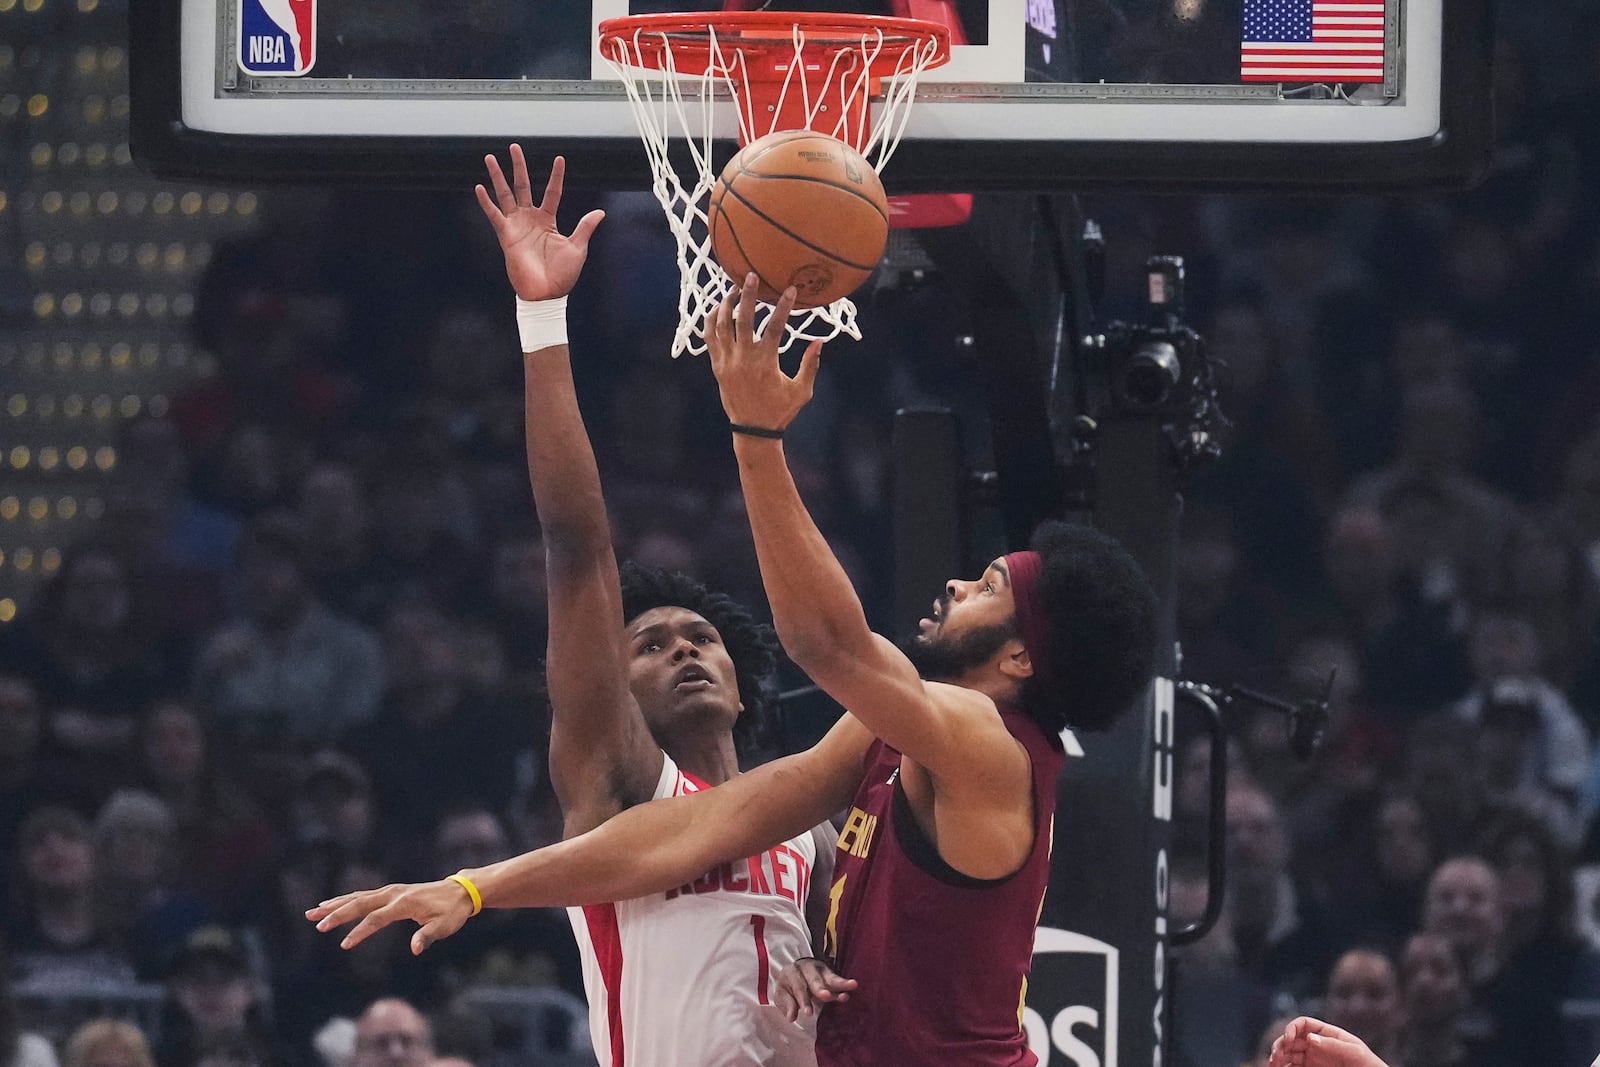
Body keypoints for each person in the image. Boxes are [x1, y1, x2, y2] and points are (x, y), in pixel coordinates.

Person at [309, 266, 1160, 1064]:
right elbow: (691, 831)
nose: (955, 581)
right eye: (650, 642)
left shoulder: (983, 741)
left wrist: (757, 435)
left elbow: (829, 645)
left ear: (1017, 655)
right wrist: (476, 886)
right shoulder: (804, 754)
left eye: (986, 586)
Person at [348, 147, 836, 1067]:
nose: (684, 650)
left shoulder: (801, 826)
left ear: (741, 681)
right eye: (649, 645)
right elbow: (576, 547)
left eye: (700, 639)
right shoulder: (618, 779)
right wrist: (541, 316)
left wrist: (821, 970)